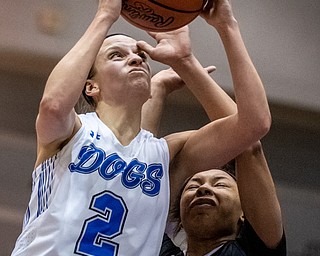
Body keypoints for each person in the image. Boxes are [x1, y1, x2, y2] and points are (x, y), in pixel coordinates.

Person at [11, 0, 271, 255]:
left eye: (141, 56)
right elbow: (54, 104)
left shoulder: (167, 154)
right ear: (91, 86)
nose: (135, 59)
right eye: (117, 55)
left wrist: (221, 31)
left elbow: (254, 124)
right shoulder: (71, 131)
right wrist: (104, 15)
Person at [159, 142, 287, 256]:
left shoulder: (255, 250)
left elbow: (249, 145)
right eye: (193, 186)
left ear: (244, 213)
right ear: (180, 219)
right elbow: (142, 155)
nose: (203, 188)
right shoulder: (156, 249)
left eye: (220, 184)